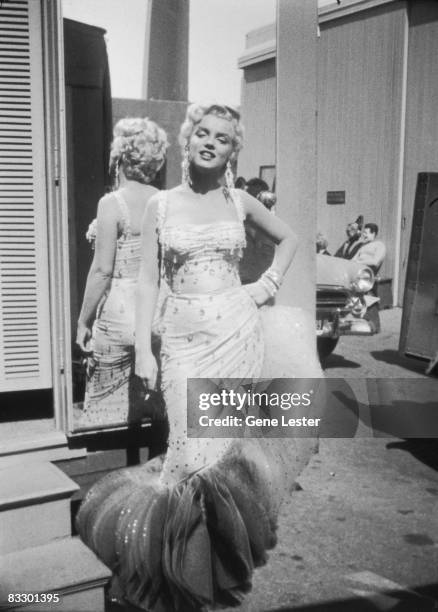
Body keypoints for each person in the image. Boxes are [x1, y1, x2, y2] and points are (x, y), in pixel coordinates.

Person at [77, 103, 323, 610]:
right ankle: (170, 576)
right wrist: (144, 347)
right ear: (187, 141)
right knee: (188, 453)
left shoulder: (241, 202)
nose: (211, 142)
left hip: (237, 335)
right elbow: (147, 280)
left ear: (234, 150)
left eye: (224, 138)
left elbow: (290, 238)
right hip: (184, 340)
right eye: (203, 134)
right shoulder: (160, 206)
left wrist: (266, 286)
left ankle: (202, 571)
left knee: (218, 454)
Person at [75, 117, 168, 428]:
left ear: (119, 156)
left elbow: (102, 271)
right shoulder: (165, 201)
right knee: (154, 410)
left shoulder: (111, 204)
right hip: (156, 312)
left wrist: (83, 320)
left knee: (107, 414)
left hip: (119, 312)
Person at [239, 176, 277, 284]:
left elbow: (265, 257)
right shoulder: (241, 219)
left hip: (252, 283)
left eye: (252, 197)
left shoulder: (265, 224)